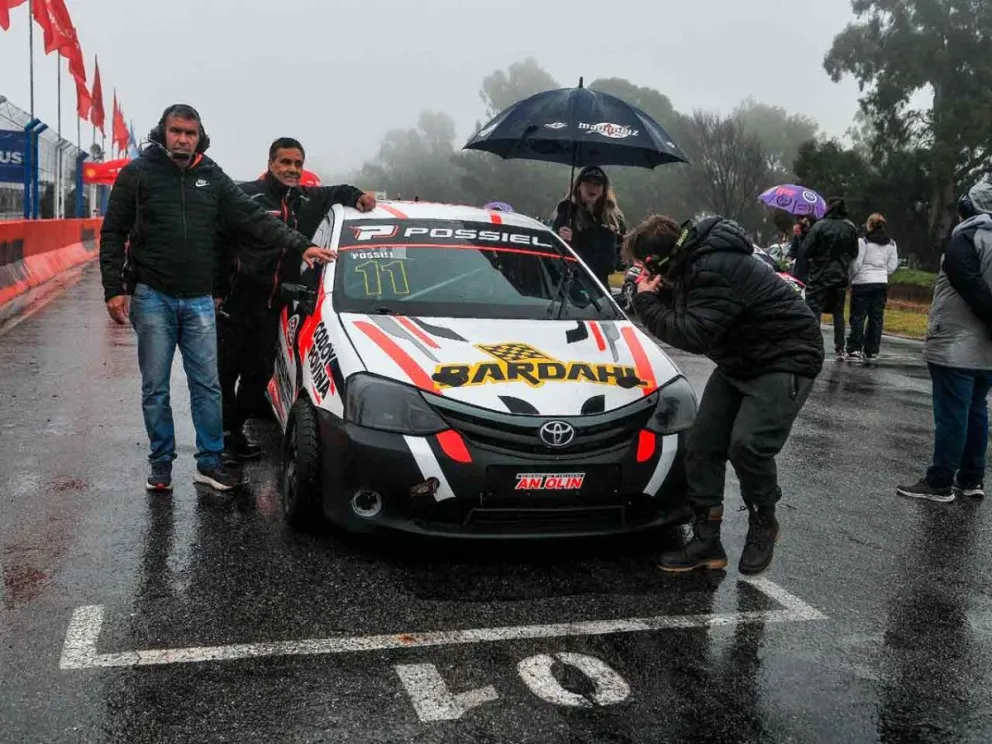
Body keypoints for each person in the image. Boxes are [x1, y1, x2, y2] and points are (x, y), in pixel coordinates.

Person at [99, 104, 336, 493]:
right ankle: (161, 463)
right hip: (152, 296)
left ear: (199, 137)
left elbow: (254, 216)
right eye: (176, 131)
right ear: (164, 133)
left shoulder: (212, 176)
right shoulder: (138, 174)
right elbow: (113, 232)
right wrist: (113, 289)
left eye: (190, 133)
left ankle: (209, 462)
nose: (183, 139)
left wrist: (301, 245)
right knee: (155, 387)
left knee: (207, 385)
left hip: (199, 301)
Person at [630, 215, 824, 575]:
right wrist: (664, 293)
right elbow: (700, 308)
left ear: (661, 258)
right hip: (741, 358)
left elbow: (692, 333)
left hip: (786, 357)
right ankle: (707, 541)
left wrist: (645, 302)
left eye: (645, 264)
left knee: (748, 444)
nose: (642, 271)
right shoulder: (696, 262)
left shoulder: (712, 268)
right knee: (702, 443)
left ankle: (764, 520)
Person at [217, 137, 374, 459]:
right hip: (237, 300)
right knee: (223, 374)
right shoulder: (245, 196)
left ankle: (230, 432)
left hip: (274, 304)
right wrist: (217, 289)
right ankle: (220, 438)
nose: (292, 169)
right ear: (270, 163)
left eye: (298, 164)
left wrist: (359, 197)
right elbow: (218, 244)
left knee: (258, 375)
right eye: (285, 162)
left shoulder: (305, 198)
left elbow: (338, 191)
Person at [898, 180, 992, 503]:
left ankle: (939, 482)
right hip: (986, 351)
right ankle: (971, 478)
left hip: (955, 345)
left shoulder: (965, 240)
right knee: (977, 410)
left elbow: (970, 285)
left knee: (953, 414)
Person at [801, 198, 860, 360]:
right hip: (840, 275)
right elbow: (854, 252)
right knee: (838, 312)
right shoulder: (850, 227)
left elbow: (806, 250)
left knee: (814, 309)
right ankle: (840, 347)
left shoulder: (820, 226)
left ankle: (812, 343)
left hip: (819, 274)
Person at [552, 166, 627, 289]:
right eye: (588, 183)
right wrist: (560, 236)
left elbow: (620, 260)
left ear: (603, 189)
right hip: (572, 283)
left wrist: (622, 253)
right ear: (579, 186)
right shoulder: (567, 212)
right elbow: (554, 247)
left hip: (601, 286)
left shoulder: (613, 218)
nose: (592, 187)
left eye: (597, 184)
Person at [845, 213, 899, 362]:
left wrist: (852, 277)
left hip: (862, 282)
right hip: (881, 282)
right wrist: (882, 273)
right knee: (876, 318)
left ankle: (854, 348)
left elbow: (857, 263)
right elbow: (892, 266)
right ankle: (872, 350)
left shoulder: (863, 242)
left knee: (858, 317)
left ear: (869, 225)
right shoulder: (891, 244)